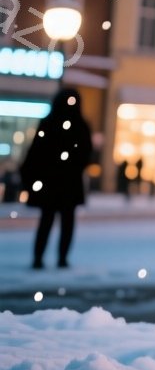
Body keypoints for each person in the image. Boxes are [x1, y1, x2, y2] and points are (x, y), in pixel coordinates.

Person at [20, 87, 93, 269]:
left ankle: (47, 258)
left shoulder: (55, 123)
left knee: (51, 221)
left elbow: (35, 153)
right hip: (63, 182)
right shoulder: (75, 125)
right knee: (58, 222)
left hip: (55, 182)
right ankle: (54, 258)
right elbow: (85, 154)